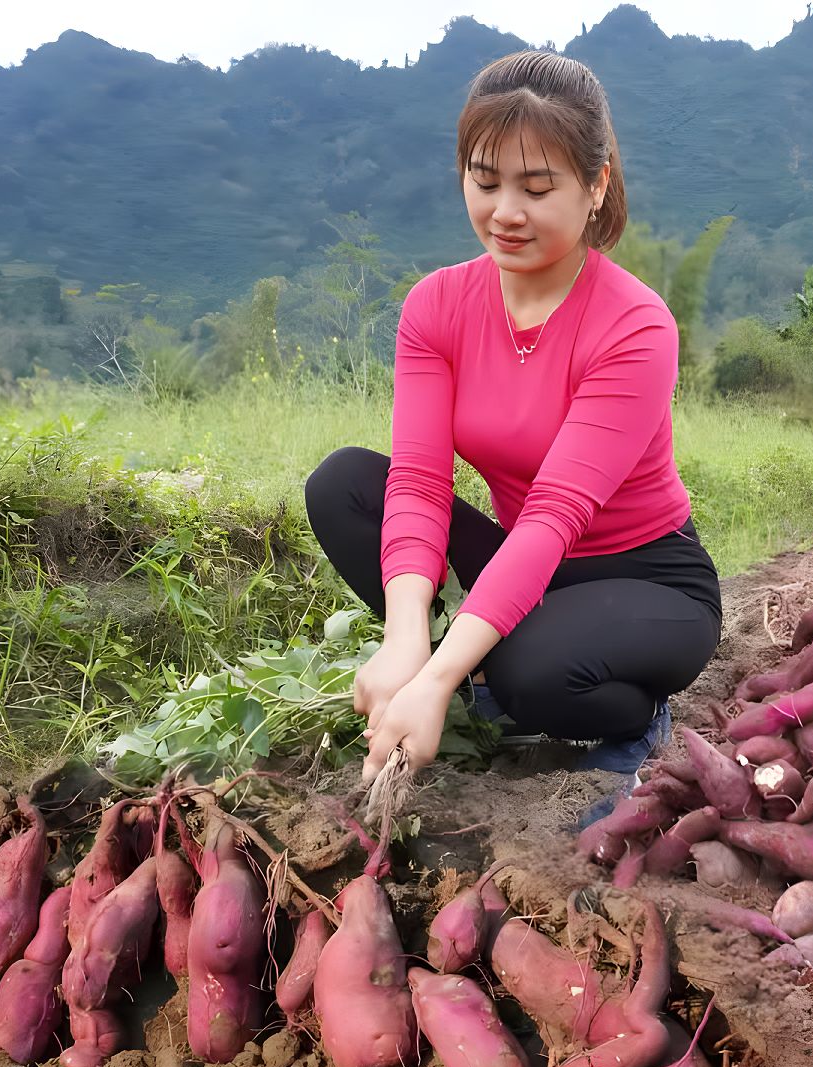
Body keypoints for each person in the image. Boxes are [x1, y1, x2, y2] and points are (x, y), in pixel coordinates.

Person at [303, 50, 723, 786]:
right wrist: (407, 643)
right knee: (346, 484)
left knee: (532, 677)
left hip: (647, 578)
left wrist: (436, 680)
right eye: (484, 181)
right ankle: (476, 661)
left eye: (536, 187)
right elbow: (422, 484)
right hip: (526, 563)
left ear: (596, 187)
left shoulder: (635, 326)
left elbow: (555, 515)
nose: (504, 212)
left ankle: (631, 712)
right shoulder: (437, 305)